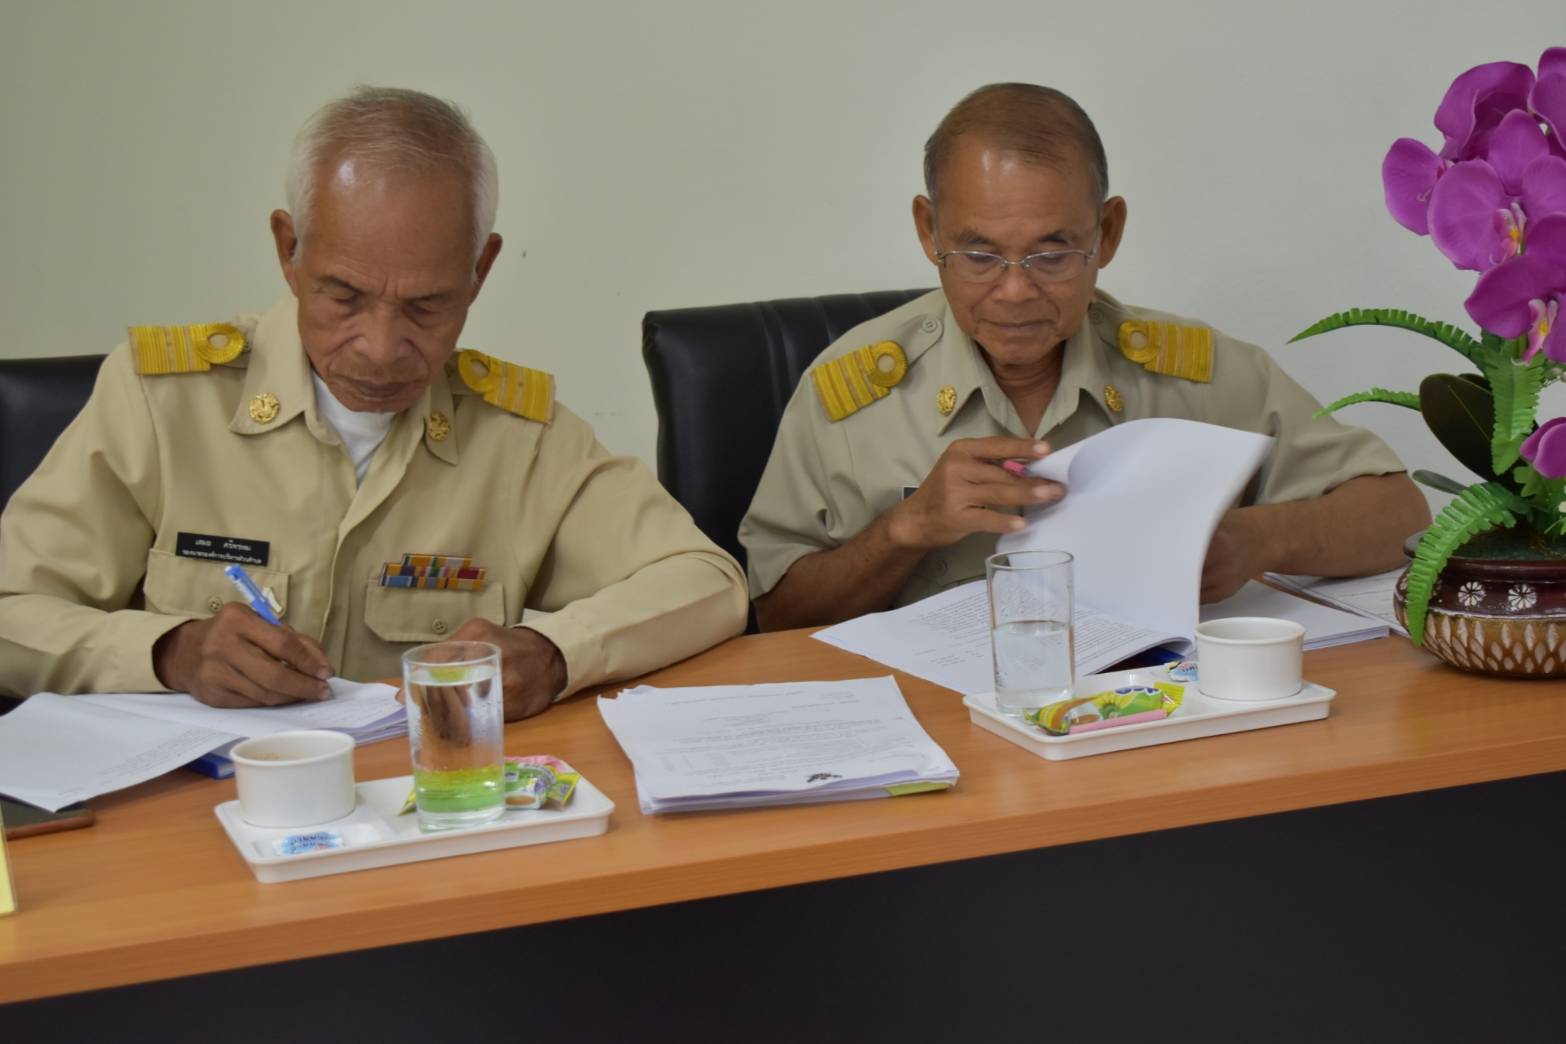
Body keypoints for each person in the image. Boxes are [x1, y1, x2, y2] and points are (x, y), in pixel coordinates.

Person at [0, 86, 748, 718]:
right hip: (198, 814)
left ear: (481, 270)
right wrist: (167, 652)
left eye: (426, 306)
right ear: (288, 249)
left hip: (424, 808)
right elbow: (10, 611)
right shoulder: (163, 402)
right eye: (344, 296)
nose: (382, 348)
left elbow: (708, 582)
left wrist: (554, 653)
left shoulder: (520, 436)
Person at [740, 83, 1431, 631]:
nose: (1015, 291)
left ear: (1108, 231)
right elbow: (775, 615)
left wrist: (1258, 539)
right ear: (929, 231)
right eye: (979, 254)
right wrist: (905, 531)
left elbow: (1401, 517)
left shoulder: (1194, 371)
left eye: (1052, 255)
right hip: (936, 726)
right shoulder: (853, 393)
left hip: (1155, 713)